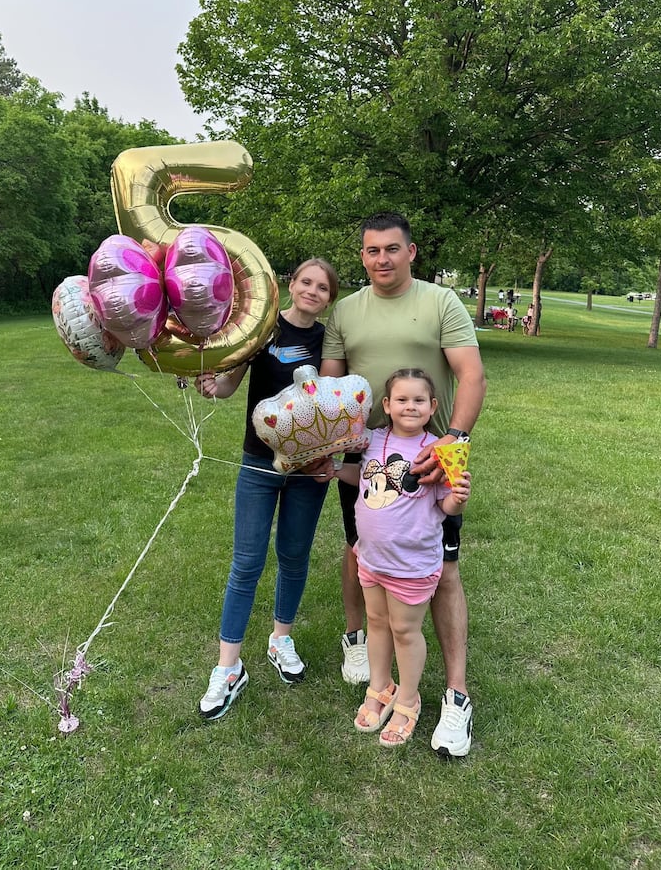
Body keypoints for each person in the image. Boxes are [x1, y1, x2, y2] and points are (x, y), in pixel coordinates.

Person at [320, 212, 486, 757]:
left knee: (445, 573)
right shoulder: (344, 311)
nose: (382, 259)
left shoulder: (441, 303)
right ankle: (365, 654)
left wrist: (452, 445)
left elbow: (471, 375)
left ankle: (456, 696)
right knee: (360, 550)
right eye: (371, 251)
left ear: (411, 253)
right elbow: (328, 387)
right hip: (367, 458)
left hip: (429, 462)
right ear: (362, 255)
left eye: (392, 249)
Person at [194, 258, 339, 720]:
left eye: (322, 287)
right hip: (258, 462)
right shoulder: (263, 331)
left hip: (307, 468)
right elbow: (229, 384)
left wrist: (328, 458)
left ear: (329, 298)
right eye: (306, 282)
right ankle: (229, 668)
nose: (312, 291)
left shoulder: (330, 342)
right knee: (246, 562)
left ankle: (281, 638)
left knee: (294, 556)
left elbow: (334, 406)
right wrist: (208, 383)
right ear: (290, 285)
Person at [333, 369, 472, 747]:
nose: (410, 406)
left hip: (411, 565)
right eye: (402, 400)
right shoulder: (373, 440)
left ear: (433, 407)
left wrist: (457, 497)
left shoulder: (438, 453)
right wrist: (330, 470)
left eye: (419, 401)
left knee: (405, 631)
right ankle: (380, 687)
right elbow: (357, 476)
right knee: (377, 623)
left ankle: (408, 701)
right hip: (371, 558)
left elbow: (445, 503)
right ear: (387, 406)